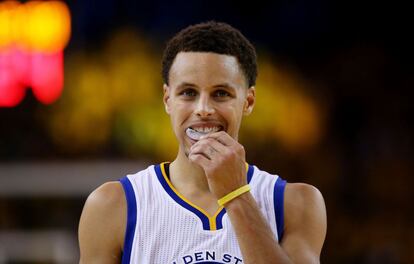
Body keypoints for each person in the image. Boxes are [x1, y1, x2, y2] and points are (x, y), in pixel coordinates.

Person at [78, 21, 327, 264]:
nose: (204, 109)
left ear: (248, 101)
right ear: (167, 99)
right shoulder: (112, 205)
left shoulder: (296, 203)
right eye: (188, 93)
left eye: (221, 94)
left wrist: (236, 196)